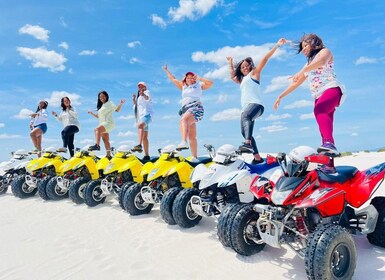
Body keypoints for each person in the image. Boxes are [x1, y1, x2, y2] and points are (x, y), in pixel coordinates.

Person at [273, 34, 345, 156]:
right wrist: (280, 96)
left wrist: (302, 70)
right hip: (318, 96)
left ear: (314, 43)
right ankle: (328, 164)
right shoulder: (308, 65)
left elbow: (321, 61)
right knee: (324, 130)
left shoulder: (324, 51)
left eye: (305, 46)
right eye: (302, 48)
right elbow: (296, 83)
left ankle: (329, 143)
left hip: (331, 89)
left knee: (319, 111)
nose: (303, 50)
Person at [227, 38, 287, 164]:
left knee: (246, 116)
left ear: (250, 66)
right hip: (247, 107)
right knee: (244, 132)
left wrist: (277, 45)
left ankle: (247, 144)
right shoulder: (242, 80)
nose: (244, 68)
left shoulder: (254, 74)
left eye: (246, 66)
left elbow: (265, 59)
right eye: (242, 67)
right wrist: (230, 63)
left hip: (256, 105)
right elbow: (233, 76)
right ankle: (257, 158)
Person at [162, 64, 213, 160]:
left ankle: (183, 141)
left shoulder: (198, 85)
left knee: (183, 120)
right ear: (185, 79)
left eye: (191, 77)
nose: (190, 79)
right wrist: (166, 70)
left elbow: (211, 83)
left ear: (194, 79)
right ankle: (195, 157)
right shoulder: (183, 86)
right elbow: (173, 79)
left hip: (195, 108)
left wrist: (200, 78)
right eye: (187, 77)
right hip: (186, 110)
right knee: (192, 136)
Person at [88, 90, 125, 159]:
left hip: (108, 122)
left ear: (106, 96)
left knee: (97, 129)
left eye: (103, 96)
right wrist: (92, 113)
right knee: (105, 140)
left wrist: (121, 104)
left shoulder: (110, 103)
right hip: (103, 124)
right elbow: (99, 117)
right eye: (100, 97)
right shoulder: (101, 107)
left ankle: (97, 145)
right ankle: (108, 155)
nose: (102, 98)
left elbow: (117, 110)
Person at [131, 81, 153, 161]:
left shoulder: (147, 92)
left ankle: (139, 145)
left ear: (145, 87)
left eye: (142, 86)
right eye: (139, 87)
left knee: (140, 126)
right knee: (145, 137)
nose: (140, 88)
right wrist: (134, 100)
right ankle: (147, 156)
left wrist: (143, 94)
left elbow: (147, 98)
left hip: (147, 115)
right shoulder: (139, 97)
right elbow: (136, 108)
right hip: (142, 117)